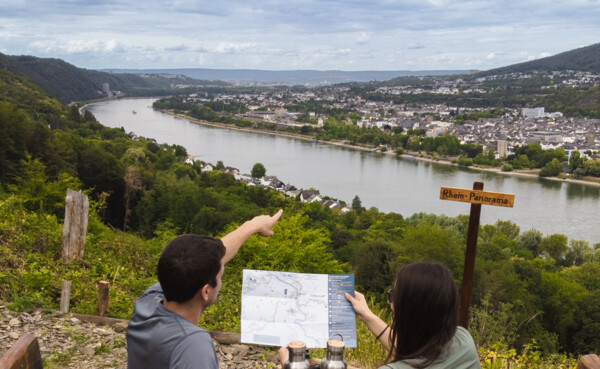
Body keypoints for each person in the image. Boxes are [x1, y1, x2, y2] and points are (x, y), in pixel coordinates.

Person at [127, 209, 283, 369]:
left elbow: (208, 260)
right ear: (206, 292)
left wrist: (253, 226)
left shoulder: (147, 304)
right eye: (219, 276)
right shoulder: (192, 344)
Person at [344, 261, 480, 369]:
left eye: (394, 296)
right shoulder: (464, 341)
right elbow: (415, 353)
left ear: (411, 311)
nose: (388, 301)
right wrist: (366, 315)